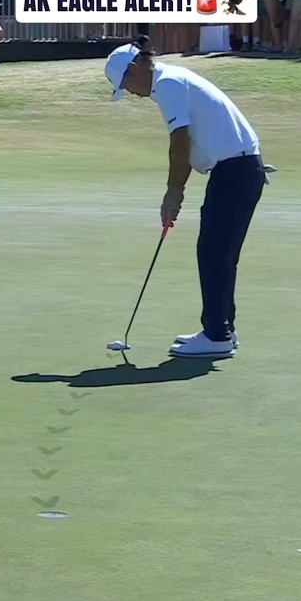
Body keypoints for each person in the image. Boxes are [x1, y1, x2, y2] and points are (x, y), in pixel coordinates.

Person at [103, 36, 266, 359]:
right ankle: (222, 329)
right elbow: (191, 144)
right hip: (238, 168)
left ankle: (217, 335)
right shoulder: (173, 79)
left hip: (236, 170)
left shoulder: (168, 84)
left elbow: (180, 144)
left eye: (127, 86)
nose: (133, 94)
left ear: (135, 69)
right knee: (218, 253)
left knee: (213, 252)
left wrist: (173, 193)